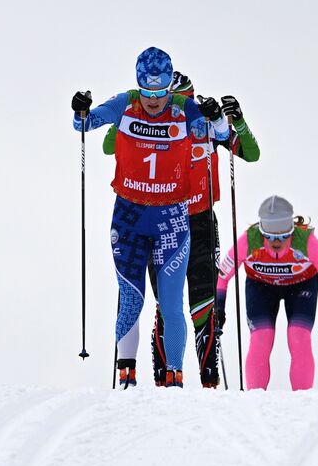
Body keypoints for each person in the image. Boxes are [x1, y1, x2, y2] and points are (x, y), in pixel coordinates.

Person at [71, 46, 229, 388]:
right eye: (148, 92)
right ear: (138, 85)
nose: (154, 100)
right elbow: (83, 124)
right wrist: (80, 109)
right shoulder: (126, 103)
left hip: (172, 218)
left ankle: (175, 374)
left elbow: (220, 136)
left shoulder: (183, 108)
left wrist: (215, 117)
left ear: (169, 87)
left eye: (160, 92)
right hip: (129, 216)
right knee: (131, 295)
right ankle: (127, 372)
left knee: (171, 303)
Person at [101, 72, 262, 387]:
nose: (175, 111)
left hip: (200, 220)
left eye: (184, 102)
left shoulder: (204, 122)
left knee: (203, 300)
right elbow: (110, 147)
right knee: (165, 300)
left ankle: (209, 377)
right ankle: (165, 376)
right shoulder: (147, 123)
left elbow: (251, 154)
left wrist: (236, 120)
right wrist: (119, 115)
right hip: (160, 221)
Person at [214, 196, 318, 390]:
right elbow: (222, 276)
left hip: (301, 286)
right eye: (270, 236)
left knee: (298, 336)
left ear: (292, 230)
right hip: (261, 287)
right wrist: (219, 308)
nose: (276, 242)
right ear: (261, 231)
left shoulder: (306, 241)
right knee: (261, 338)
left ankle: (303, 400)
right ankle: (255, 398)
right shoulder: (249, 240)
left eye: (284, 236)